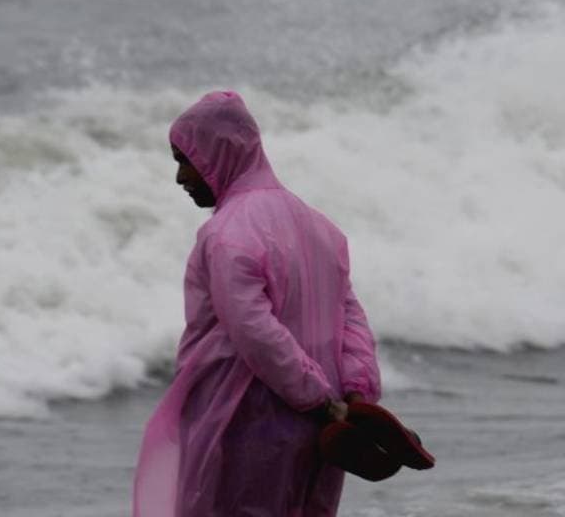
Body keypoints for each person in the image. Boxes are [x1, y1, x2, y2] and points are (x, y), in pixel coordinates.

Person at [133, 91, 381, 517]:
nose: (179, 177)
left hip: (241, 423)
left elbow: (253, 329)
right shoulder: (320, 227)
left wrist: (319, 398)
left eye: (185, 158)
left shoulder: (227, 234)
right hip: (320, 429)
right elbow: (351, 317)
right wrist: (356, 394)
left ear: (218, 153)